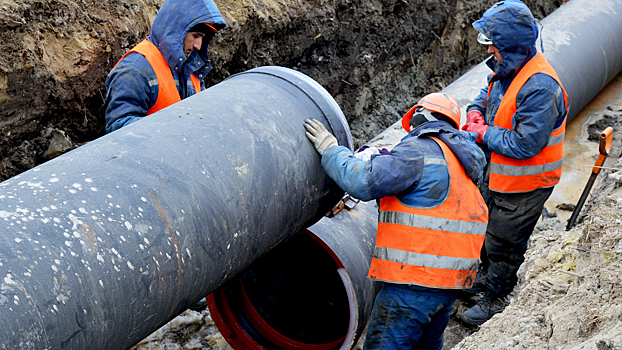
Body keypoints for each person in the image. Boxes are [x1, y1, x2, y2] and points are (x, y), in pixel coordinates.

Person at [305, 93, 488, 350]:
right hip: (449, 286)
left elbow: (360, 182)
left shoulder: (418, 150)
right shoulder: (464, 163)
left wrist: (331, 150)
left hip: (411, 286)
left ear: (421, 117)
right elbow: (428, 207)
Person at [460, 0, 568, 325]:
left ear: (511, 45)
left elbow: (524, 145)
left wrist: (480, 133)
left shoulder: (540, 86)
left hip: (525, 183)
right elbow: (487, 94)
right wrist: (475, 111)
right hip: (498, 175)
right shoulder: (507, 68)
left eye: (494, 43)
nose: (489, 49)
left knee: (504, 241)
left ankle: (496, 298)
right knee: (485, 227)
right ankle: (485, 278)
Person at [103, 0, 226, 133]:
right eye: (195, 36)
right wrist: (172, 129)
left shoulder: (190, 65)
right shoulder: (135, 69)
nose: (198, 45)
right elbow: (118, 128)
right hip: (149, 151)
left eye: (202, 38)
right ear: (178, 31)